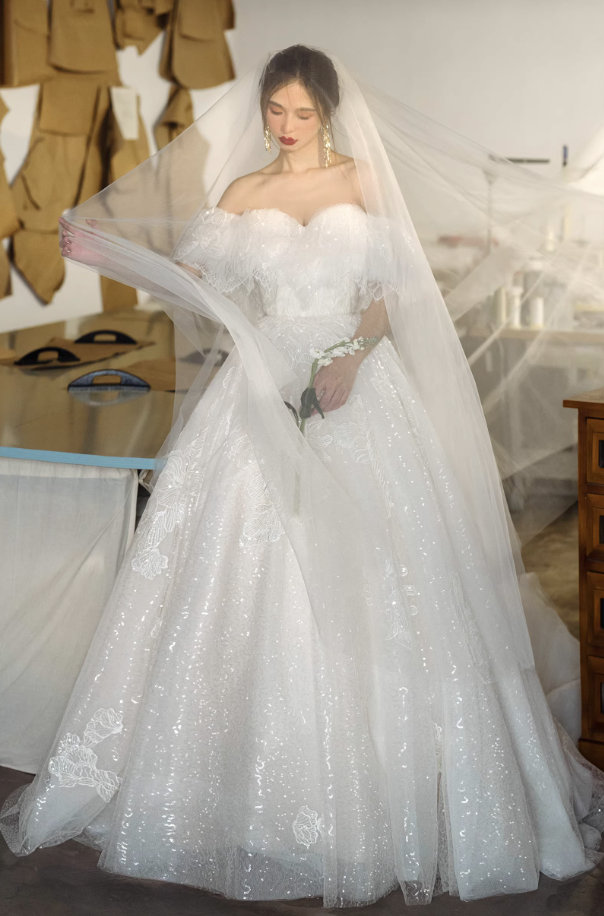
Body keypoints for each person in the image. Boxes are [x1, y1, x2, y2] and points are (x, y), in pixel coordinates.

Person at [1, 45, 603, 908]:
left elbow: (388, 293)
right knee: (242, 568)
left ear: (327, 111)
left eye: (302, 113)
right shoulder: (245, 193)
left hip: (355, 379)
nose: (286, 127)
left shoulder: (363, 180)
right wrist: (113, 256)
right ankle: (228, 797)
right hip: (261, 383)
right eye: (275, 111)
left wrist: (353, 356)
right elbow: (198, 287)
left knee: (389, 577)